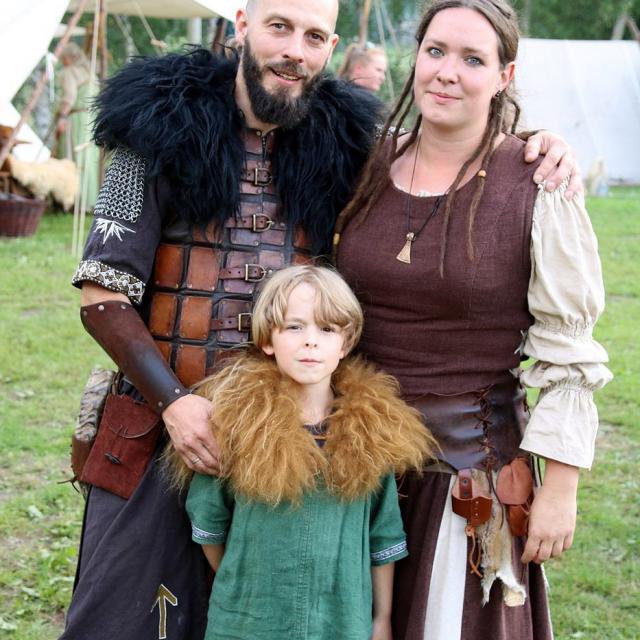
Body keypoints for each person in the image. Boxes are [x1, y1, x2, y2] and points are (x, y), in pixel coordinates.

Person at [63, 0, 580, 637]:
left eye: (313, 36)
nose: (294, 51)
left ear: (330, 47)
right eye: (279, 27)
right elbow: (103, 294)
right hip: (165, 424)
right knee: (126, 619)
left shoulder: (343, 148)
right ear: (243, 25)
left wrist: (537, 145)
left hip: (294, 443)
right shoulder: (153, 130)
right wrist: (174, 404)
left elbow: (449, 144)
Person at [333, 1, 612, 639]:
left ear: (504, 75)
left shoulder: (537, 183)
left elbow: (569, 351)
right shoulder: (362, 163)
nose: (447, 72)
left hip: (466, 482)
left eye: (472, 59)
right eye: (435, 51)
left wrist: (561, 487)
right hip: (352, 467)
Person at [168, 265, 435, 640]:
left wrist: (382, 618)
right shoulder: (236, 427)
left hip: (342, 625)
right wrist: (244, 583)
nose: (311, 341)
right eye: (294, 327)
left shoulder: (371, 438)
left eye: (326, 329)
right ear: (268, 339)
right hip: (247, 626)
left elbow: (383, 536)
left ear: (345, 345)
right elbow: (210, 525)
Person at [55, 42, 99, 209]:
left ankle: (73, 201)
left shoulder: (70, 72)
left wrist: (62, 117)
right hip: (90, 118)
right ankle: (88, 201)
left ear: (69, 58)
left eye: (63, 58)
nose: (62, 61)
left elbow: (69, 97)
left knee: (72, 157)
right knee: (88, 157)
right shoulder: (90, 73)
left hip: (75, 119)